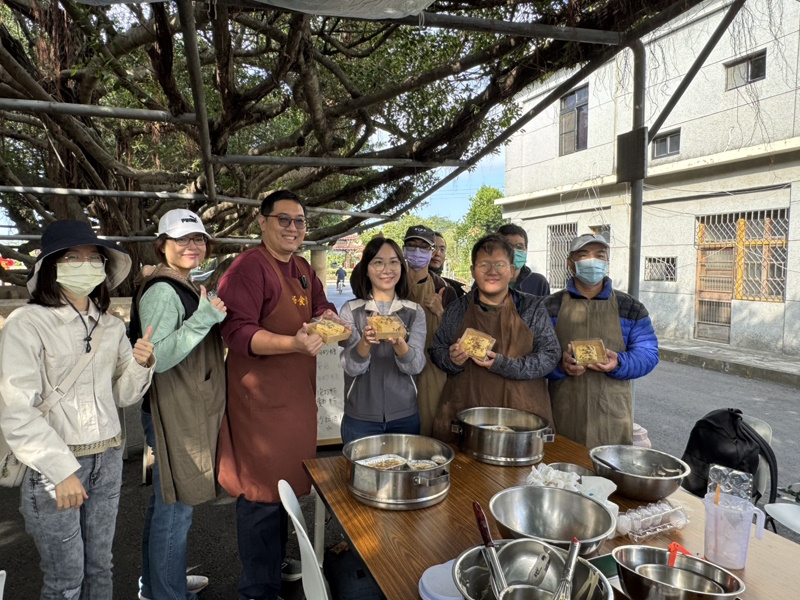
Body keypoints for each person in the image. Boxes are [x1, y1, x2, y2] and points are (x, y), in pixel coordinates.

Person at [0, 220, 155, 599]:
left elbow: (122, 395)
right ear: (52, 266)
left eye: (93, 258)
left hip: (109, 457)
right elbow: (15, 408)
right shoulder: (27, 324)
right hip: (56, 466)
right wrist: (60, 470)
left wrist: (140, 363)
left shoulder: (111, 326)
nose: (85, 264)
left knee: (101, 565)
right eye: (73, 257)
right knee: (66, 578)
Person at [216, 189, 335, 600]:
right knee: (261, 498)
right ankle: (256, 590)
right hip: (260, 405)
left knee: (285, 492)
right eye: (283, 219)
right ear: (262, 222)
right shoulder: (248, 268)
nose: (292, 227)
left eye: (299, 221)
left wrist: (331, 320)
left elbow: (320, 306)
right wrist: (293, 344)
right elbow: (237, 332)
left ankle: (275, 568)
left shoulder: (302, 267)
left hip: (296, 400)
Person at [131, 209, 227, 600]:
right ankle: (167, 593)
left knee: (166, 503)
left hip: (181, 406)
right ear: (163, 246)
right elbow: (159, 358)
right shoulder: (162, 292)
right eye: (182, 240)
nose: (192, 246)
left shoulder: (181, 285)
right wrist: (204, 319)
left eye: (198, 239)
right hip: (172, 410)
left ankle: (159, 582)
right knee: (177, 506)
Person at [429, 234, 561, 442]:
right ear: (473, 271)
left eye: (500, 265)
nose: (492, 272)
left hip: (522, 417)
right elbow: (437, 350)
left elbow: (550, 356)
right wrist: (451, 360)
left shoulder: (531, 308)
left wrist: (503, 364)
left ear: (511, 270)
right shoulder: (457, 308)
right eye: (484, 265)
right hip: (467, 416)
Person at [544, 233, 659, 448]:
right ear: (571, 263)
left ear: (607, 262)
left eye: (600, 255)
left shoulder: (630, 307)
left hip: (613, 415)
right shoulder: (550, 306)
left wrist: (620, 362)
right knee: (562, 476)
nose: (593, 261)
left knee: (608, 476)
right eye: (584, 255)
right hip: (564, 412)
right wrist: (560, 366)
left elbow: (649, 354)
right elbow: (535, 355)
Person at [338, 237, 427, 443]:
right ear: (366, 268)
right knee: (361, 475)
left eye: (394, 262)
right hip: (360, 418)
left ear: (402, 268)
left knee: (403, 474)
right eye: (378, 262)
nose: (387, 269)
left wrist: (401, 346)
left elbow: (415, 367)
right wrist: (365, 344)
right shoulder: (350, 310)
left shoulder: (414, 312)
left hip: (405, 416)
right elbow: (351, 367)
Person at [402, 225, 457, 436]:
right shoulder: (391, 283)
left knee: (427, 429)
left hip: (430, 371)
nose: (417, 252)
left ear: (432, 251)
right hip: (394, 368)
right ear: (403, 249)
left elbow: (456, 337)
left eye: (424, 247)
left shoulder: (446, 290)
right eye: (412, 246)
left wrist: (440, 312)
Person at [497, 224, 550, 296]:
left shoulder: (538, 282)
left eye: (519, 246)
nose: (514, 251)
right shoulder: (486, 280)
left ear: (526, 250)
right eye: (508, 246)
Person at [429, 232, 467, 298]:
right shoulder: (407, 283)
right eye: (433, 248)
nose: (437, 253)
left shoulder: (458, 290)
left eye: (442, 249)